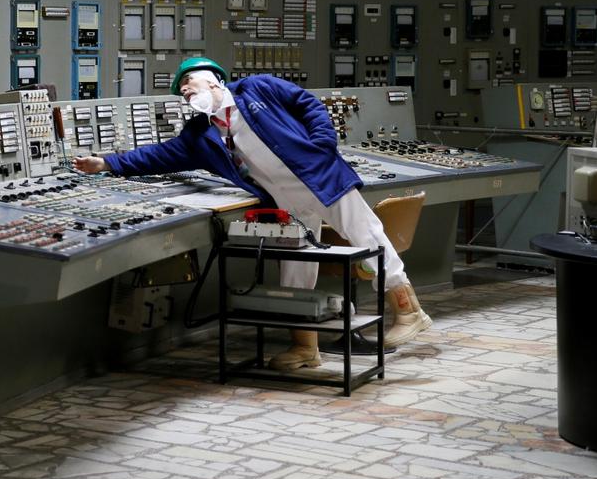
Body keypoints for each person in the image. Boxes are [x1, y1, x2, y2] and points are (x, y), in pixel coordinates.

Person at [72, 56, 431, 370]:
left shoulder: (257, 88)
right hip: (285, 200)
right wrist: (107, 163)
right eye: (181, 89)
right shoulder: (200, 134)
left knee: (367, 235)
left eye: (188, 82)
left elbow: (307, 103)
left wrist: (322, 143)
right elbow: (158, 156)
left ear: (213, 80)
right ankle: (306, 347)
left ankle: (408, 310)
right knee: (295, 267)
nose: (184, 91)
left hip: (321, 176)